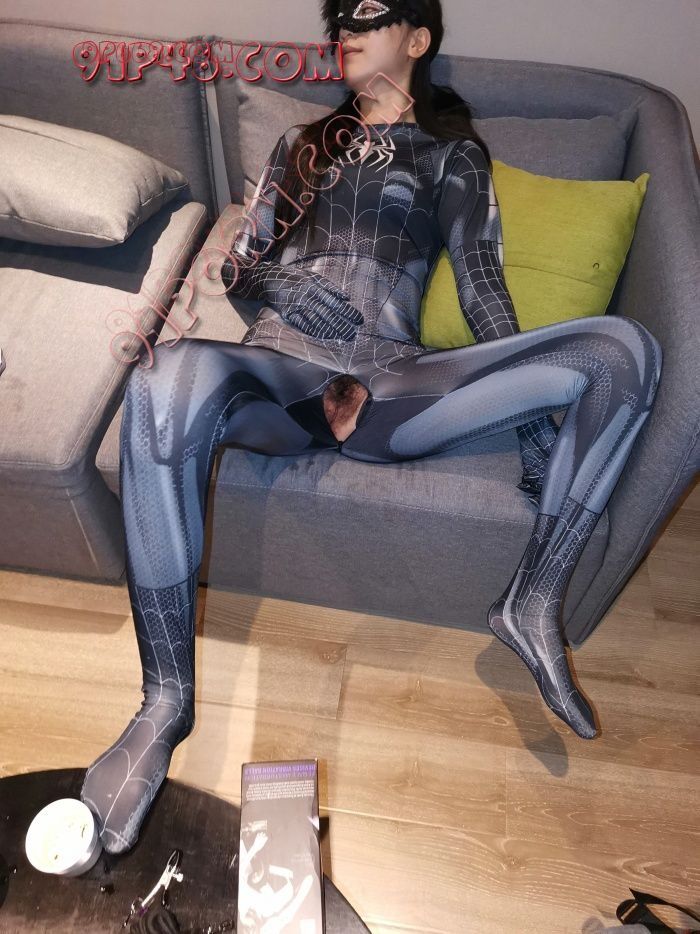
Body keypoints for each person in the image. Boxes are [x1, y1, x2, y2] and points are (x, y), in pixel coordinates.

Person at [80, 0, 662, 855]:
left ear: (418, 39)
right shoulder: (301, 145)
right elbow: (239, 264)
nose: (344, 32)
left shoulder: (453, 154)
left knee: (625, 350)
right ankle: (164, 702)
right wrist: (282, 285)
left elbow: (482, 285)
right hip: (283, 372)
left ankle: (532, 599)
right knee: (160, 374)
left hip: (391, 378)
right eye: (338, 22)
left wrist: (534, 417)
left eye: (369, 16)